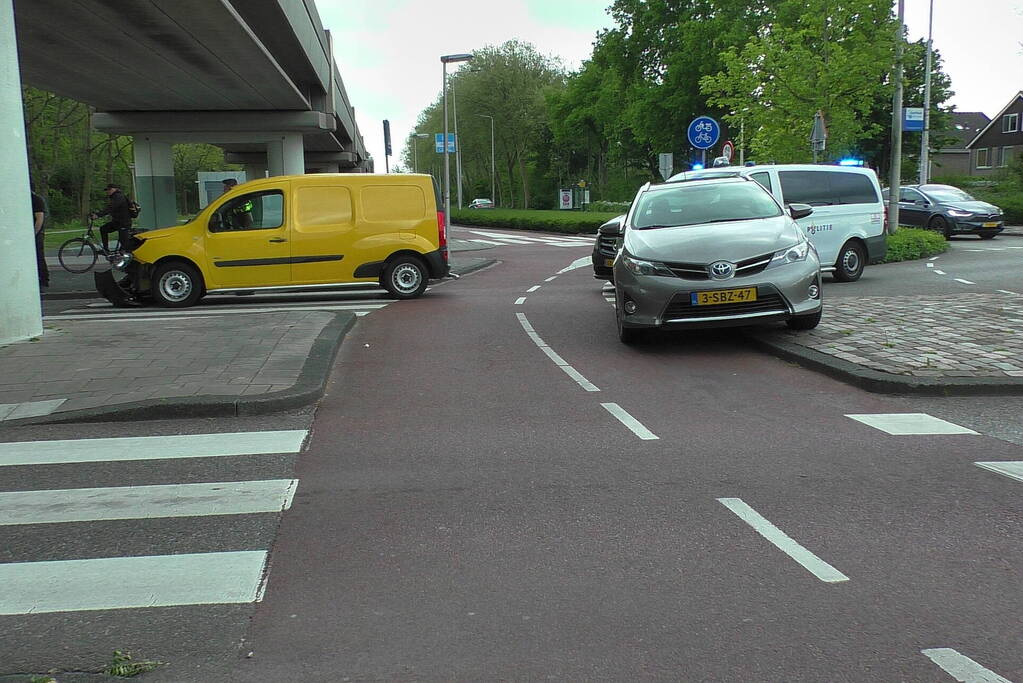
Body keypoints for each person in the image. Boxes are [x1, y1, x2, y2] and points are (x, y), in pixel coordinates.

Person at [90, 183, 133, 255]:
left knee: (124, 244)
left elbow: (111, 208)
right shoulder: (114, 197)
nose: (107, 191)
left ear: (114, 189)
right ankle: (106, 250)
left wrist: (98, 215)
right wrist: (98, 213)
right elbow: (110, 209)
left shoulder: (119, 197)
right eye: (107, 190)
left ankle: (128, 259)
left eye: (109, 190)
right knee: (103, 229)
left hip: (124, 223)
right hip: (117, 222)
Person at [31, 190, 49, 289]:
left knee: (39, 256)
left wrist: (34, 233)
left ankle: (43, 280)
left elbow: (39, 219)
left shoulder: (36, 200)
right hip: (33, 233)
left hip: (37, 234)